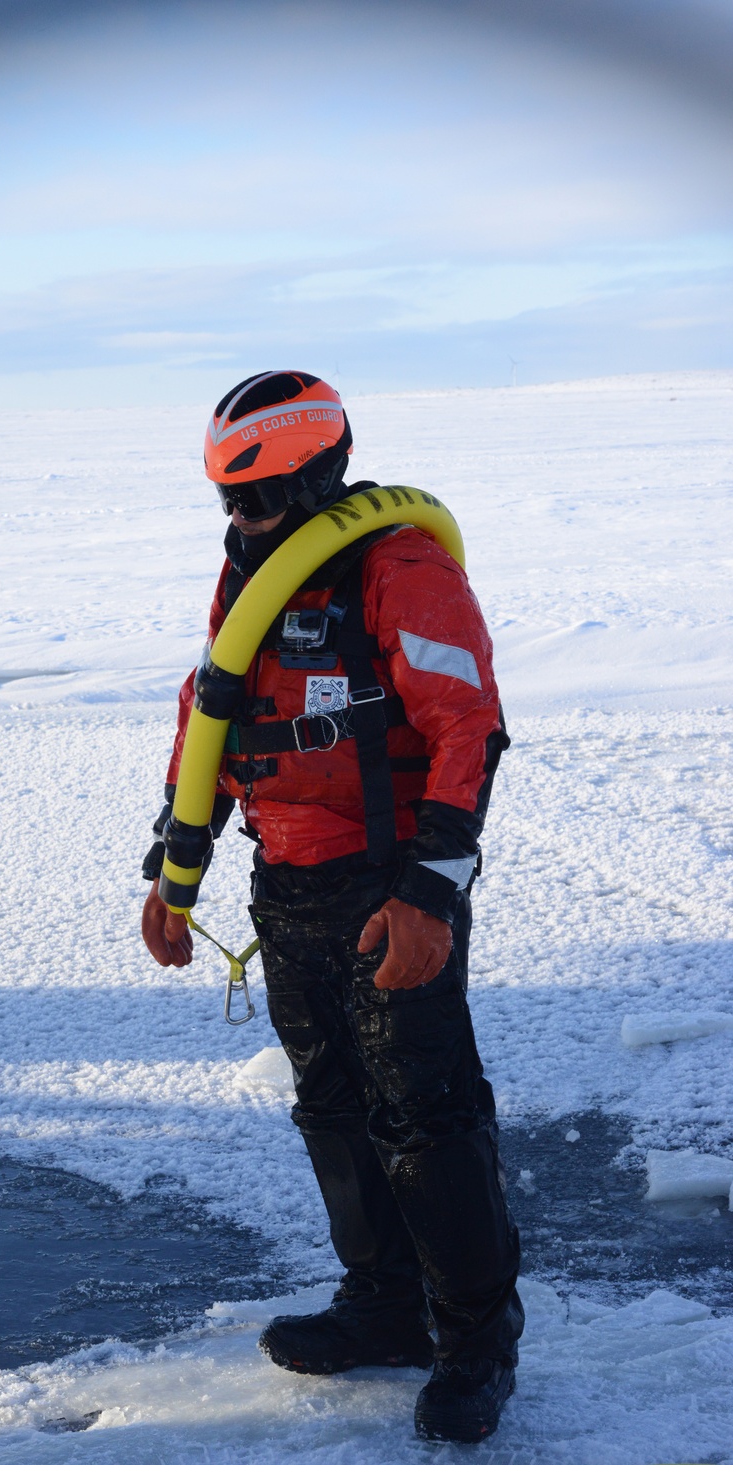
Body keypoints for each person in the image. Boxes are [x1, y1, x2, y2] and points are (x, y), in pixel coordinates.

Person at [140, 370, 523, 1444]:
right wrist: (176, 868)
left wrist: (429, 894)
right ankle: (386, 1304)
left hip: (389, 883)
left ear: (317, 478)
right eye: (226, 501)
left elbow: (468, 730)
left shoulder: (402, 569)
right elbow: (209, 717)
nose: (239, 521)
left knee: (427, 1116)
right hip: (289, 881)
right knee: (333, 1108)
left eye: (255, 501)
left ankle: (476, 1337)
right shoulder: (249, 578)